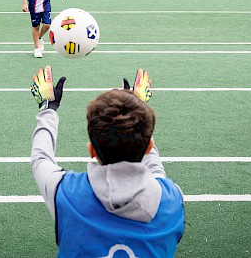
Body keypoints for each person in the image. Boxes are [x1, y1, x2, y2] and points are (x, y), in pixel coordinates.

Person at [30, 67, 185, 257]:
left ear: (91, 151)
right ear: (149, 146)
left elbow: (40, 158)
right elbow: (154, 169)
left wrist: (48, 107)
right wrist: (139, 106)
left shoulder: (66, 193)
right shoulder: (172, 199)